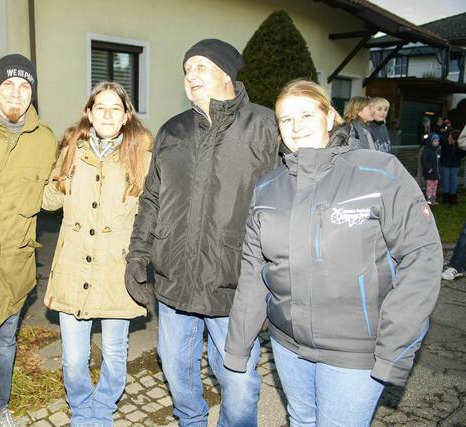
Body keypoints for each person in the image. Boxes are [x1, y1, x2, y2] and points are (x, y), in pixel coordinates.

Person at [224, 79, 442, 427]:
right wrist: (237, 348)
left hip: (356, 352)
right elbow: (254, 273)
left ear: (329, 117)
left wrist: (394, 346)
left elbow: (422, 258)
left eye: (306, 115)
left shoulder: (379, 173)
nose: (296, 127)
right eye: (286, 119)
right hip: (288, 345)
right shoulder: (267, 188)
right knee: (301, 418)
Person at [125, 39, 279, 426]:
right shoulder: (172, 130)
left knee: (238, 381)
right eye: (186, 69)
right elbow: (152, 199)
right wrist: (138, 254)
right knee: (176, 369)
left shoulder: (265, 126)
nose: (190, 75)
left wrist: (277, 279)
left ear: (226, 74)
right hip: (175, 280)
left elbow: (293, 191)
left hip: (234, 284)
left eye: (200, 67)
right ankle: (190, 420)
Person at [41, 81, 152, 426]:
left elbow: (152, 213)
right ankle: (81, 409)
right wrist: (61, 174)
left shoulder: (142, 156)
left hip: (116, 270)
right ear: (89, 114)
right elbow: (48, 202)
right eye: (100, 107)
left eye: (115, 108)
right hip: (74, 267)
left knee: (115, 353)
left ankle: (102, 411)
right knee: (74, 358)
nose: (107, 114)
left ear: (126, 116)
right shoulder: (72, 151)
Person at [0, 54, 58, 427]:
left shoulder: (45, 140)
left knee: (4, 342)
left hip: (15, 265)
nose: (16, 93)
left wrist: (72, 180)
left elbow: (48, 198)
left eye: (24, 86)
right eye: (8, 84)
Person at [440, 129, 465, 204]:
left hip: (455, 163)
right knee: (445, 180)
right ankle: (445, 198)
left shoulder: (461, 143)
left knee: (454, 179)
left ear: (456, 141)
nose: (450, 141)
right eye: (450, 138)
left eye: (452, 140)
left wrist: (457, 157)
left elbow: (463, 152)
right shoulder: (443, 138)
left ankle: (453, 197)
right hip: (444, 162)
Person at [421, 133, 441, 204]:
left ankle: (433, 198)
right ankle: (429, 198)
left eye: (437, 141)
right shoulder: (427, 150)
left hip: (436, 173)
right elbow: (424, 160)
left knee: (434, 186)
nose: (437, 143)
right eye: (435, 141)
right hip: (430, 173)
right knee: (429, 186)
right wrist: (428, 168)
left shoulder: (437, 150)